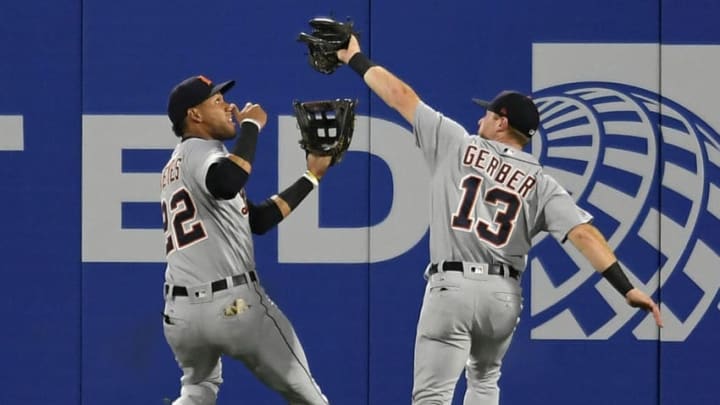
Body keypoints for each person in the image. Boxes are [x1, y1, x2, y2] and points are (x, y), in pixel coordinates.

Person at [333, 37, 663, 404]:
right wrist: (627, 288)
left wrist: (355, 57)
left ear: (502, 122)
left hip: (452, 287)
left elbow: (400, 94)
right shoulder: (542, 182)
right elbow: (584, 234)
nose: (480, 119)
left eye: (487, 114)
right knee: (485, 381)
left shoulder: (458, 142)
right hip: (503, 297)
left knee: (432, 397)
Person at [161, 75, 330, 405]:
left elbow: (259, 220)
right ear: (194, 115)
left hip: (181, 317)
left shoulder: (178, 162)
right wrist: (252, 125)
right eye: (218, 102)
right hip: (232, 304)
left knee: (197, 392)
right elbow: (228, 180)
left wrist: (311, 177)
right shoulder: (202, 152)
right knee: (310, 399)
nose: (231, 108)